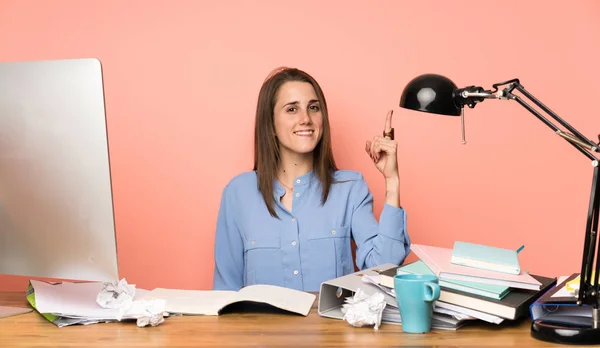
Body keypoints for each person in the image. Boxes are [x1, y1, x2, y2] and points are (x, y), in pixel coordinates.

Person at [212, 67, 410, 292]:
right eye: (292, 109)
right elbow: (225, 290)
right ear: (271, 124)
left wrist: (392, 181)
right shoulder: (239, 193)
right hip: (262, 328)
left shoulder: (350, 188)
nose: (305, 119)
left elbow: (383, 269)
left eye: (313, 108)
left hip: (333, 327)